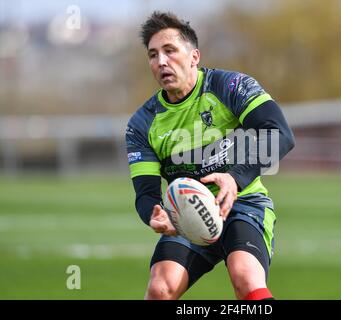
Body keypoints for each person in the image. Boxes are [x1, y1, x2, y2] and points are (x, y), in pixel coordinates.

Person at [125, 11, 295, 300]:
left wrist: (234, 178)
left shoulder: (229, 87)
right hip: (187, 215)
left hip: (243, 203)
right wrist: (154, 214)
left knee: (245, 277)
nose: (161, 61)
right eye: (153, 55)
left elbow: (279, 133)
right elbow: (145, 194)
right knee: (160, 289)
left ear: (194, 56)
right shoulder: (142, 123)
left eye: (170, 51)